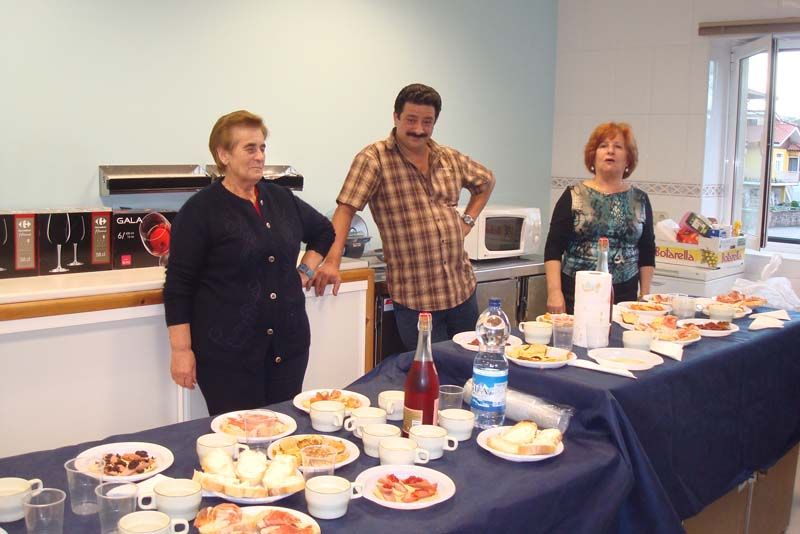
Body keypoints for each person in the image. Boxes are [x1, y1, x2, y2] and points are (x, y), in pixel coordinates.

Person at [163, 110, 334, 415]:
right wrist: (181, 351)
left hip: (288, 350)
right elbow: (178, 287)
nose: (259, 156)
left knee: (284, 436)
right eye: (250, 148)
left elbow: (324, 231)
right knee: (240, 444)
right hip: (229, 360)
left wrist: (304, 271)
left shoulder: (280, 198)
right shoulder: (201, 211)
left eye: (263, 147)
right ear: (224, 155)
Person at [312, 83, 495, 350]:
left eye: (427, 122)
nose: (418, 129)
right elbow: (346, 209)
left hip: (462, 290)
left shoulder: (449, 158)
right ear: (396, 117)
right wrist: (332, 261)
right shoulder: (374, 159)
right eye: (411, 120)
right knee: (429, 375)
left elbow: (486, 181)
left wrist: (467, 221)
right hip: (416, 297)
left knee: (469, 368)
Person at [544, 122, 655, 314]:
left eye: (618, 147)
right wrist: (554, 292)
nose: (610, 151)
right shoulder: (573, 195)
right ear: (592, 157)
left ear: (628, 159)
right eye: (603, 146)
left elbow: (647, 250)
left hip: (625, 294)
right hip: (576, 291)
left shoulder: (640, 199)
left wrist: (645, 296)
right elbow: (553, 248)